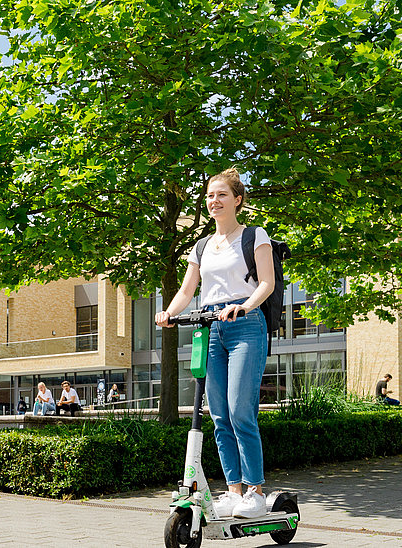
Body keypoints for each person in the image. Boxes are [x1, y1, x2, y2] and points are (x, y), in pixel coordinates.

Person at [155, 167, 276, 520]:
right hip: (209, 328)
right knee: (219, 414)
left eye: (222, 194)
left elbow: (265, 283)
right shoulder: (202, 245)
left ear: (237, 200)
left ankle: (255, 491)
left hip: (244, 325)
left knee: (240, 410)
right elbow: (186, 290)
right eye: (210, 195)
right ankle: (233, 490)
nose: (214, 201)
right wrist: (168, 313)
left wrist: (244, 305)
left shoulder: (255, 235)